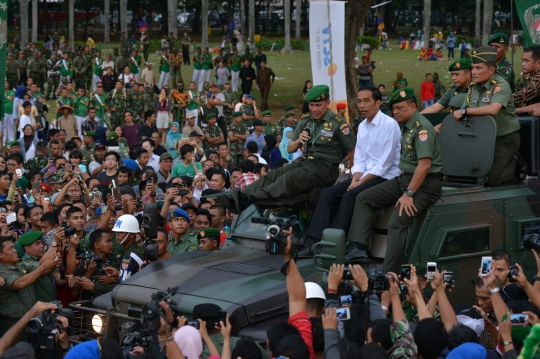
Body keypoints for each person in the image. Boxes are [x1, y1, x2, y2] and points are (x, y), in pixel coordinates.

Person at [346, 87, 442, 274]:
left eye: (400, 108)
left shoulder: (421, 129)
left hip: (425, 185)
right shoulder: (406, 126)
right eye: (394, 109)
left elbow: (424, 166)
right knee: (364, 197)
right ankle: (360, 248)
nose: (396, 112)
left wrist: (409, 194)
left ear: (413, 106)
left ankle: (390, 273)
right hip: (404, 178)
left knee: (397, 222)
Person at [218, 85, 356, 213]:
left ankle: (251, 198)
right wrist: (298, 141)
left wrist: (352, 175)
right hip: (306, 162)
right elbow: (290, 149)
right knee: (274, 174)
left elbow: (352, 148)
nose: (314, 109)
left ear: (328, 103)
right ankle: (240, 196)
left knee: (290, 178)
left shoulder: (337, 123)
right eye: (311, 105)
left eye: (318, 105)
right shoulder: (306, 121)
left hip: (325, 167)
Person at [300, 86, 401, 256]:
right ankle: (313, 241)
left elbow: (384, 164)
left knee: (350, 195)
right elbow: (360, 159)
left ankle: (332, 244)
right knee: (329, 194)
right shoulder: (362, 126)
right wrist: (354, 179)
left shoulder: (389, 125)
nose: (362, 105)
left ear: (377, 103)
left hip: (385, 177)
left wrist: (359, 183)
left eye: (366, 101)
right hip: (364, 175)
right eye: (359, 101)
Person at [454, 48, 522, 186]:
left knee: (491, 178)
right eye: (473, 68)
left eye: (478, 68)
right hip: (481, 138)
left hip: (505, 139)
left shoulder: (501, 85)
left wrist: (465, 112)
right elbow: (460, 112)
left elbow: (493, 109)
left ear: (491, 70)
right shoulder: (473, 88)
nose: (474, 72)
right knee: (467, 172)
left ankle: (516, 167)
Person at [0, 235, 58, 337]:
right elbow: (19, 284)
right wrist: (44, 266)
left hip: (29, 318)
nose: (15, 250)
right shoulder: (2, 271)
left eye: (14, 247)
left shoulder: (19, 264)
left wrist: (54, 262)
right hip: (13, 321)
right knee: (18, 351)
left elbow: (43, 269)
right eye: (10, 249)